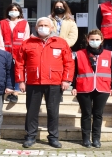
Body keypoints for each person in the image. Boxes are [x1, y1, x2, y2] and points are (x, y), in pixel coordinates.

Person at [15, 17, 74, 148]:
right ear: (36, 28)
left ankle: (53, 137)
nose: (43, 27)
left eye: (46, 25)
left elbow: (69, 63)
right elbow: (19, 63)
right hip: (33, 82)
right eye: (40, 25)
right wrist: (20, 81)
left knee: (53, 111)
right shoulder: (27, 43)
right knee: (31, 111)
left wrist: (66, 79)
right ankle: (30, 136)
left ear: (52, 28)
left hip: (54, 82)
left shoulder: (61, 42)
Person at [72, 29, 112, 148]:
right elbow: (74, 72)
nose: (94, 41)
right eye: (92, 39)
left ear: (101, 40)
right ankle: (85, 139)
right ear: (87, 40)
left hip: (103, 87)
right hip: (84, 87)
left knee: (98, 114)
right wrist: (74, 86)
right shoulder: (80, 53)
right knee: (86, 113)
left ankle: (96, 139)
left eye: (97, 39)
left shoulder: (108, 53)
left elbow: (111, 71)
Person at [0, 2, 30, 103]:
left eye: (16, 10)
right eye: (12, 10)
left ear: (19, 12)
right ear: (8, 12)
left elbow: (26, 38)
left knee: (18, 70)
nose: (14, 12)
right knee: (7, 70)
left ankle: (15, 91)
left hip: (19, 52)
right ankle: (8, 89)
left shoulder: (24, 23)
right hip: (5, 51)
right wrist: (2, 51)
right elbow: (0, 37)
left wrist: (23, 51)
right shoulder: (2, 23)